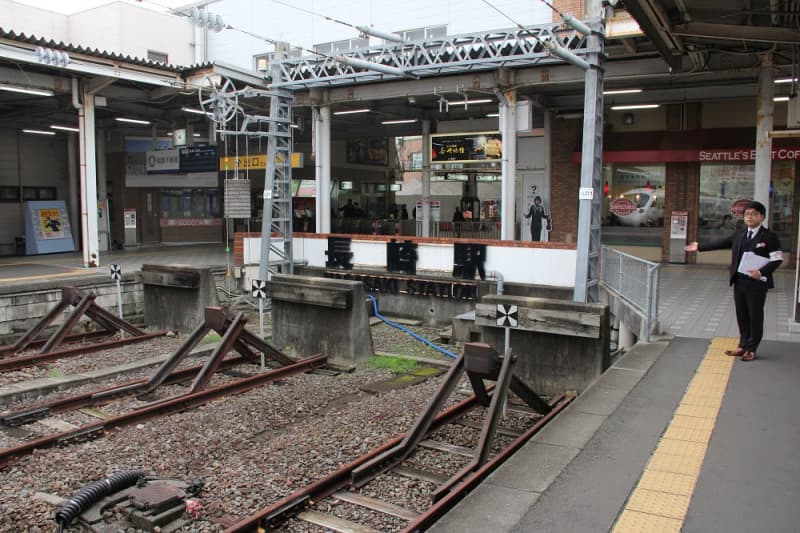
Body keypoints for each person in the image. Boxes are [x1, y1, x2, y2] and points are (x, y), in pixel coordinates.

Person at [684, 201, 783, 361]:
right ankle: (742, 345)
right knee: (741, 315)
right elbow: (722, 243)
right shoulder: (740, 234)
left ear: (762, 216)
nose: (749, 217)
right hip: (739, 281)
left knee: (755, 316)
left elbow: (777, 259)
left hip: (757, 283)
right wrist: (700, 247)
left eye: (753, 214)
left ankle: (752, 349)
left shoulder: (769, 237)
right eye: (747, 214)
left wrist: (761, 272)